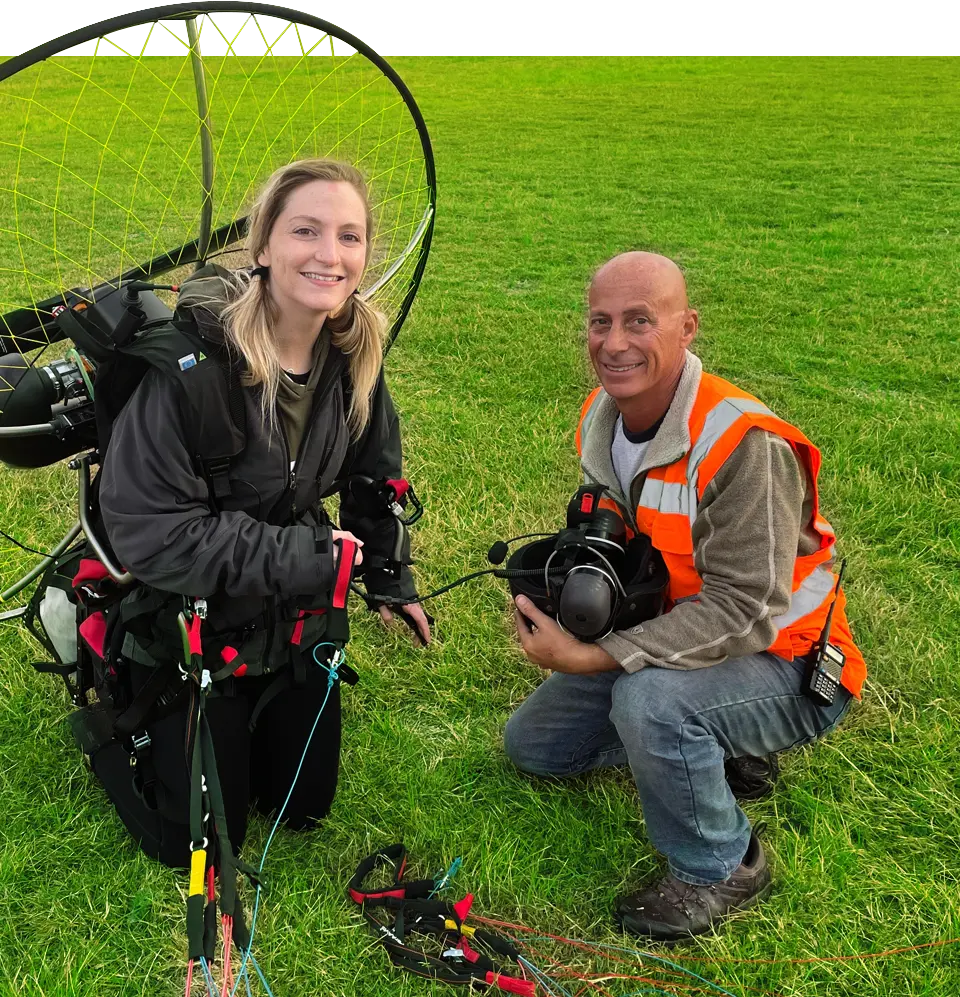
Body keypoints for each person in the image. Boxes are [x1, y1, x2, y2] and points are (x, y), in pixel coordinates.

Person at [503, 251, 864, 940]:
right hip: (686, 639)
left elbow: (743, 610)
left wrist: (598, 656)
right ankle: (715, 745)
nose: (614, 343)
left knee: (648, 702)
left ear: (687, 326)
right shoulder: (602, 416)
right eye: (599, 321)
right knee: (535, 746)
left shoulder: (740, 441)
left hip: (791, 662)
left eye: (640, 321)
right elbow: (626, 549)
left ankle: (721, 862)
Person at [92, 158, 431, 868]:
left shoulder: (352, 351)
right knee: (208, 843)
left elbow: (375, 474)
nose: (329, 255)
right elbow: (153, 535)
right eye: (305, 230)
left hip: (291, 617)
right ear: (264, 246)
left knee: (303, 807)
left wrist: (390, 577)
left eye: (349, 236)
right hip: (190, 616)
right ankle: (103, 681)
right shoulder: (193, 369)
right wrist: (310, 559)